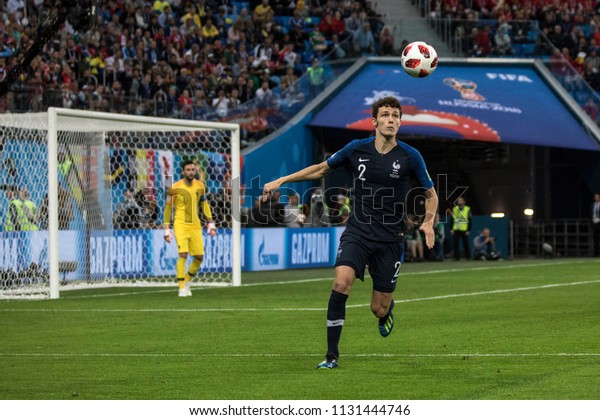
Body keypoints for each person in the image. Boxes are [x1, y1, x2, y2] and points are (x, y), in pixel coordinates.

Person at [262, 96, 438, 369]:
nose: (391, 119)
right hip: (358, 231)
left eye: (395, 116)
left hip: (391, 238)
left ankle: (386, 311)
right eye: (386, 115)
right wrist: (283, 180)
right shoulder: (357, 149)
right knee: (341, 282)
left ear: (400, 122)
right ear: (375, 121)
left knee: (377, 308)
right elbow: (321, 168)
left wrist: (427, 222)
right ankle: (331, 356)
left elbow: (431, 195)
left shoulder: (410, 156)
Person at [163, 160, 216, 297]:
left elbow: (204, 204)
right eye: (188, 170)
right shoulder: (175, 188)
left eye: (193, 170)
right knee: (183, 254)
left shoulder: (200, 186)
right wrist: (166, 227)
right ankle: (181, 287)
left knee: (199, 257)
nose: (191, 172)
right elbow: (168, 208)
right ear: (183, 171)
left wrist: (210, 221)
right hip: (180, 224)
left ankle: (187, 280)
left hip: (195, 225)